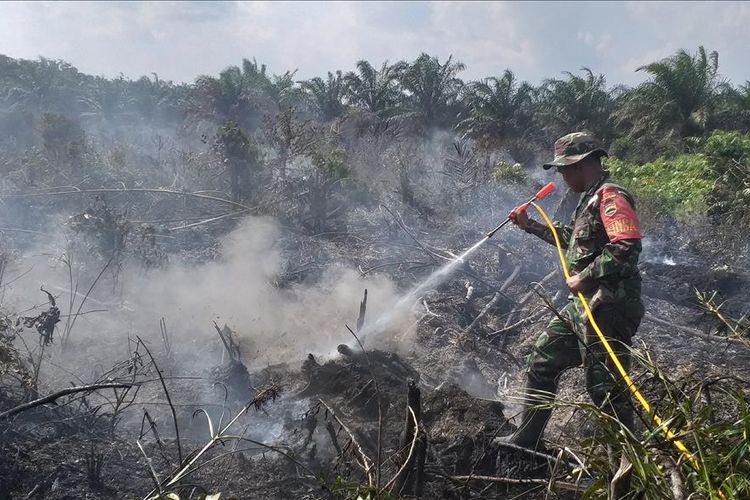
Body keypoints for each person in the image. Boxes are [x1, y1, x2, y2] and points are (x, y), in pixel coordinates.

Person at [505, 132, 645, 448]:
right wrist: (530, 226)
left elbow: (627, 246)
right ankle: (527, 439)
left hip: (607, 307)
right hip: (583, 305)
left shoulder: (611, 197)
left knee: (604, 388)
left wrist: (586, 277)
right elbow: (572, 240)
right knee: (542, 359)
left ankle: (630, 465)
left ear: (579, 165)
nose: (563, 177)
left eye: (564, 170)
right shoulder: (589, 200)